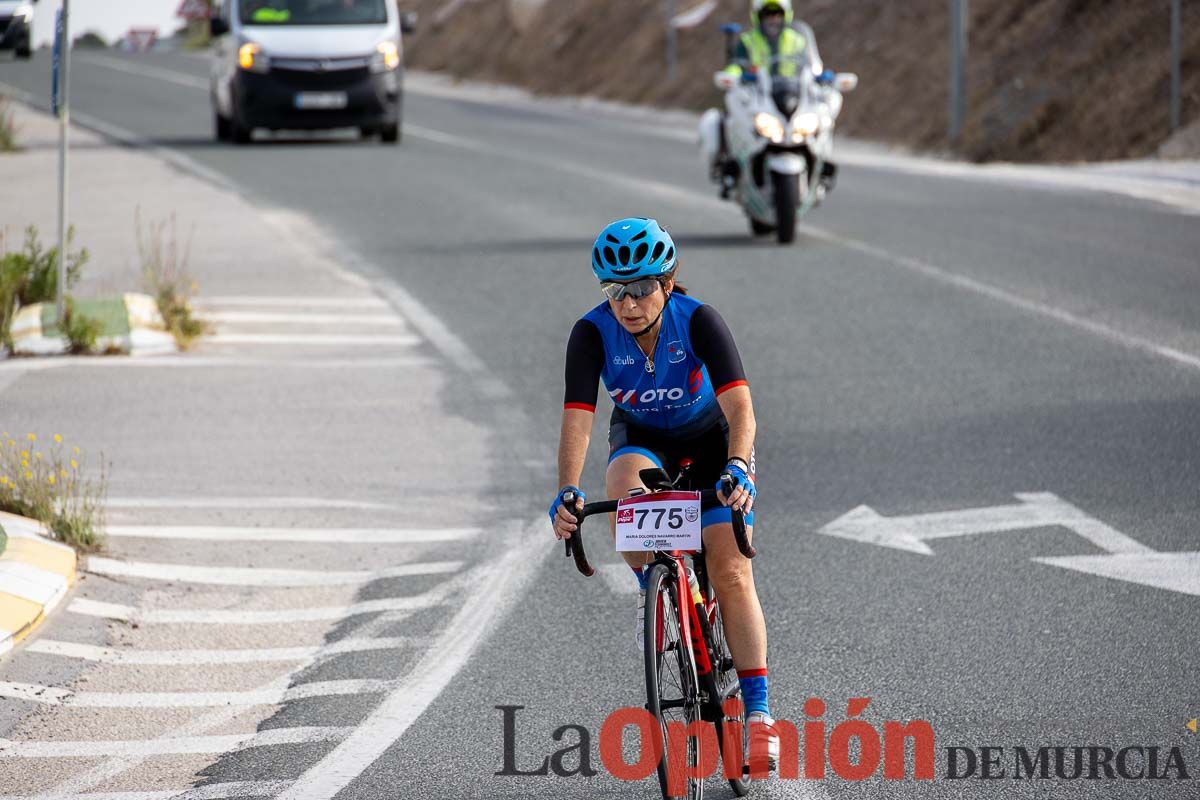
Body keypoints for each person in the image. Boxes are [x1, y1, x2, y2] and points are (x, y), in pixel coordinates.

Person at [549, 217, 778, 767]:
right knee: (618, 485)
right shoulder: (591, 333)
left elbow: (741, 407)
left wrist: (741, 468)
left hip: (712, 441)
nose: (628, 303)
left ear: (667, 283)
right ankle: (653, 589)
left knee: (729, 570)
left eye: (642, 287)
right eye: (616, 291)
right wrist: (565, 491)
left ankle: (759, 714)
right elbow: (578, 419)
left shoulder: (699, 321)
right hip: (644, 439)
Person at [713, 0, 837, 197]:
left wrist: (821, 76)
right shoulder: (748, 41)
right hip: (758, 97)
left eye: (777, 15)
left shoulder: (797, 40)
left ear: (786, 16)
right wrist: (734, 74)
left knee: (826, 107)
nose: (773, 20)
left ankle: (824, 162)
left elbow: (811, 65)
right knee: (733, 107)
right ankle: (731, 166)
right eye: (768, 15)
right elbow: (736, 64)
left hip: (791, 95)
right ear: (758, 17)